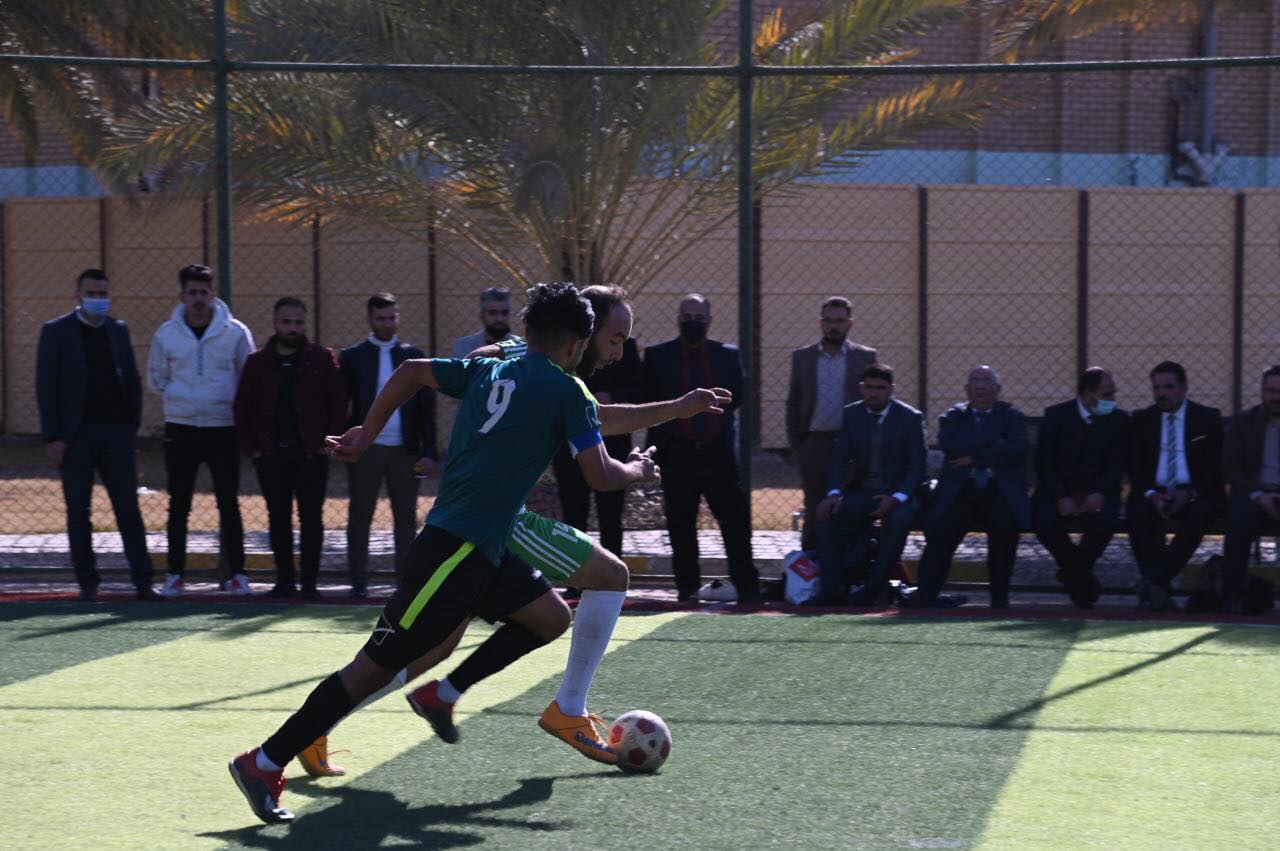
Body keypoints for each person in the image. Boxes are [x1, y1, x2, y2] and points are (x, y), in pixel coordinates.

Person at [229, 282, 659, 824]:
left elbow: (411, 371)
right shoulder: (567, 390)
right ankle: (264, 761)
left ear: (527, 331)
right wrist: (638, 470)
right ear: (576, 345)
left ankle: (445, 694)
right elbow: (599, 474)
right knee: (370, 669)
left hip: (485, 548)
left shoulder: (491, 368)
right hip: (453, 552)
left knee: (550, 616)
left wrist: (366, 432)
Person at [295, 284, 735, 779]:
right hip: (497, 519)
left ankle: (347, 719)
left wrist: (677, 408)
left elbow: (595, 416)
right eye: (615, 339)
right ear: (584, 333)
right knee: (610, 576)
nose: (618, 353)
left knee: (439, 645)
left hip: (479, 520)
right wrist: (643, 457)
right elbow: (480, 367)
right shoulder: (535, 361)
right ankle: (567, 708)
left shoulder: (560, 374)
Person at [35, 268, 159, 602]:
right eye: (92, 294)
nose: (98, 300)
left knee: (128, 508)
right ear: (78, 295)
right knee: (79, 512)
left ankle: (143, 582)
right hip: (75, 435)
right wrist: (53, 436)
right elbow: (46, 386)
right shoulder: (56, 331)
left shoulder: (118, 330)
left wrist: (131, 423)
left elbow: (131, 377)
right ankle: (88, 583)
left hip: (116, 432)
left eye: (103, 294)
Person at [147, 264, 255, 598]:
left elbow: (249, 375)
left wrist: (223, 401)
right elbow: (156, 377)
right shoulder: (167, 334)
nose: (198, 299)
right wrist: (180, 397)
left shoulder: (235, 332)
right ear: (182, 295)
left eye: (203, 293)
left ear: (212, 294)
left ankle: (237, 575)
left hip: (222, 428)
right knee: (179, 504)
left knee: (228, 503)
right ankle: (175, 575)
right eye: (192, 293)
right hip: (180, 428)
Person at [642, 293, 758, 603]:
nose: (692, 323)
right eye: (687, 317)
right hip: (677, 451)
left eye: (699, 318)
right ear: (678, 319)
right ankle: (687, 589)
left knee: (735, 521)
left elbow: (738, 397)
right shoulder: (657, 357)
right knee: (680, 523)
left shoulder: (728, 356)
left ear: (709, 321)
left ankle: (747, 588)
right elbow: (649, 400)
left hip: (717, 451)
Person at [233, 297, 345, 599]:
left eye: (298, 322)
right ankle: (284, 582)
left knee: (312, 518)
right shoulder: (257, 363)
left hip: (310, 453)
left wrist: (327, 443)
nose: (292, 328)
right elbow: (242, 407)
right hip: (270, 454)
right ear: (275, 322)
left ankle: (309, 584)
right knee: (278, 517)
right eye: (286, 322)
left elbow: (337, 403)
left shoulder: (322, 359)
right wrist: (253, 449)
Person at [339, 293, 438, 598]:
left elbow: (427, 410)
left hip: (405, 451)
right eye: (381, 318)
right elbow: (343, 404)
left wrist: (429, 451)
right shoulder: (353, 357)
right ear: (370, 319)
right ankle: (358, 583)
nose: (387, 323)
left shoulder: (413, 357)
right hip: (366, 450)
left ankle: (405, 584)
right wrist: (345, 440)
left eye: (392, 317)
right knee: (361, 513)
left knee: (406, 516)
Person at [907, 365, 1029, 610]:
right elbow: (951, 443)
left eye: (986, 381)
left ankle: (999, 601)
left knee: (1005, 531)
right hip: (960, 490)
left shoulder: (1012, 416)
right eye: (975, 380)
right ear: (966, 388)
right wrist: (996, 440)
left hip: (999, 488)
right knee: (941, 532)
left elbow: (1017, 449)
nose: (980, 386)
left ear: (998, 388)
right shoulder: (952, 416)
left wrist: (974, 458)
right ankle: (925, 596)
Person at [813, 363, 925, 606]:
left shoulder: (910, 418)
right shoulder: (852, 414)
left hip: (898, 493)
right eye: (869, 387)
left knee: (898, 519)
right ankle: (831, 589)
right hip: (864, 490)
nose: (874, 393)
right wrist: (833, 493)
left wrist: (896, 498)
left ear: (891, 389)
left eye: (880, 388)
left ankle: (871, 590)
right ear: (862, 388)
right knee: (825, 514)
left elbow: (917, 468)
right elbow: (839, 459)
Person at [1126, 361, 1224, 612]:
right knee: (1136, 510)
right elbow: (1135, 467)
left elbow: (1215, 467)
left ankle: (1151, 584)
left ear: (1184, 387)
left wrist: (1189, 493)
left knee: (1202, 513)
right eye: (1156, 388)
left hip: (1195, 492)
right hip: (1155, 492)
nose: (1161, 393)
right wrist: (1152, 495)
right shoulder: (1142, 420)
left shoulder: (1207, 418)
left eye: (1168, 387)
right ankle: (1157, 588)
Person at [1032, 367, 1128, 610]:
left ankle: (1072, 574)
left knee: (1105, 522)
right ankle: (1081, 577)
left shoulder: (1118, 420)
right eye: (1106, 394)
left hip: (1098, 491)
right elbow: (1044, 461)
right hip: (1059, 490)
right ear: (1087, 394)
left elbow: (1117, 462)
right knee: (1043, 520)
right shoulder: (1056, 416)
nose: (1112, 399)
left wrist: (1101, 492)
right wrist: (1060, 496)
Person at [786, 297, 878, 552]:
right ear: (820, 322)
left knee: (851, 504)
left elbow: (873, 401)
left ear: (850, 324)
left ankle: (850, 563)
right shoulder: (803, 358)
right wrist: (798, 446)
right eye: (828, 320)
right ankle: (810, 566)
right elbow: (793, 403)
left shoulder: (865, 357)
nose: (833, 326)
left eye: (839, 321)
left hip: (851, 445)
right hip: (814, 443)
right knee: (815, 505)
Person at [551, 333, 643, 558]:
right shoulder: (565, 341)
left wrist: (611, 397)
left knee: (611, 516)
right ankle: (575, 574)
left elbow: (640, 390)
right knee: (574, 515)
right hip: (570, 441)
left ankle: (610, 574)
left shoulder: (625, 345)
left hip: (613, 441)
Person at [1217, 367, 1280, 612]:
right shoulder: (1245, 422)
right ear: (1262, 392)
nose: (1275, 397)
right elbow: (1230, 466)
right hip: (1255, 495)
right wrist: (1258, 495)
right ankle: (1232, 597)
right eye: (1270, 391)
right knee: (1239, 521)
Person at [449, 286, 516, 357]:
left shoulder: (521, 347)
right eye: (493, 313)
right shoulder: (463, 347)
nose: (499, 319)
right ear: (482, 315)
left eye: (505, 312)